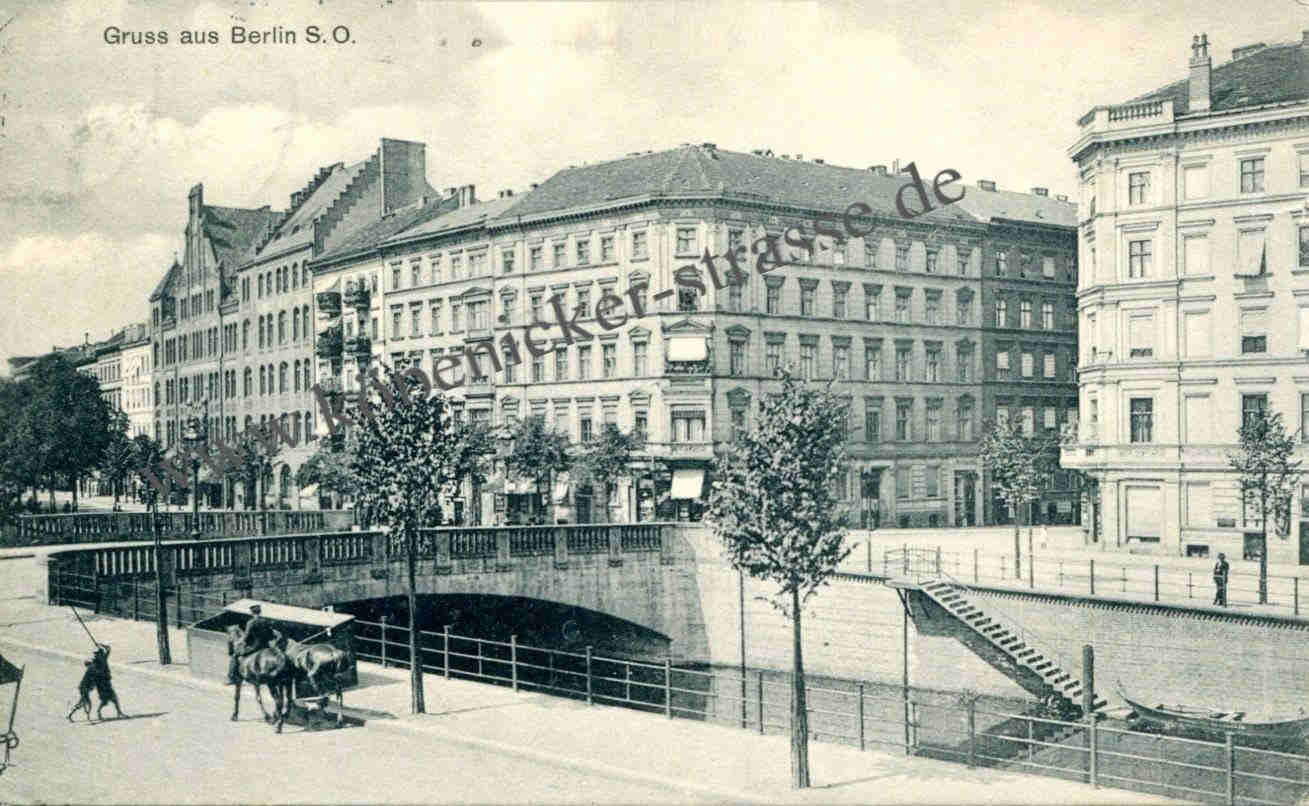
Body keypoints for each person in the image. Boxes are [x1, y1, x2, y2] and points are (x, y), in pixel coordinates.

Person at [227, 604, 276, 685]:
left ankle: (231, 677)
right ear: (260, 612)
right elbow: (271, 636)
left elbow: (246, 636)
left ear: (252, 613)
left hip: (254, 647)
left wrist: (239, 641)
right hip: (266, 646)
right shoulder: (266, 621)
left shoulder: (251, 622)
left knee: (235, 656)